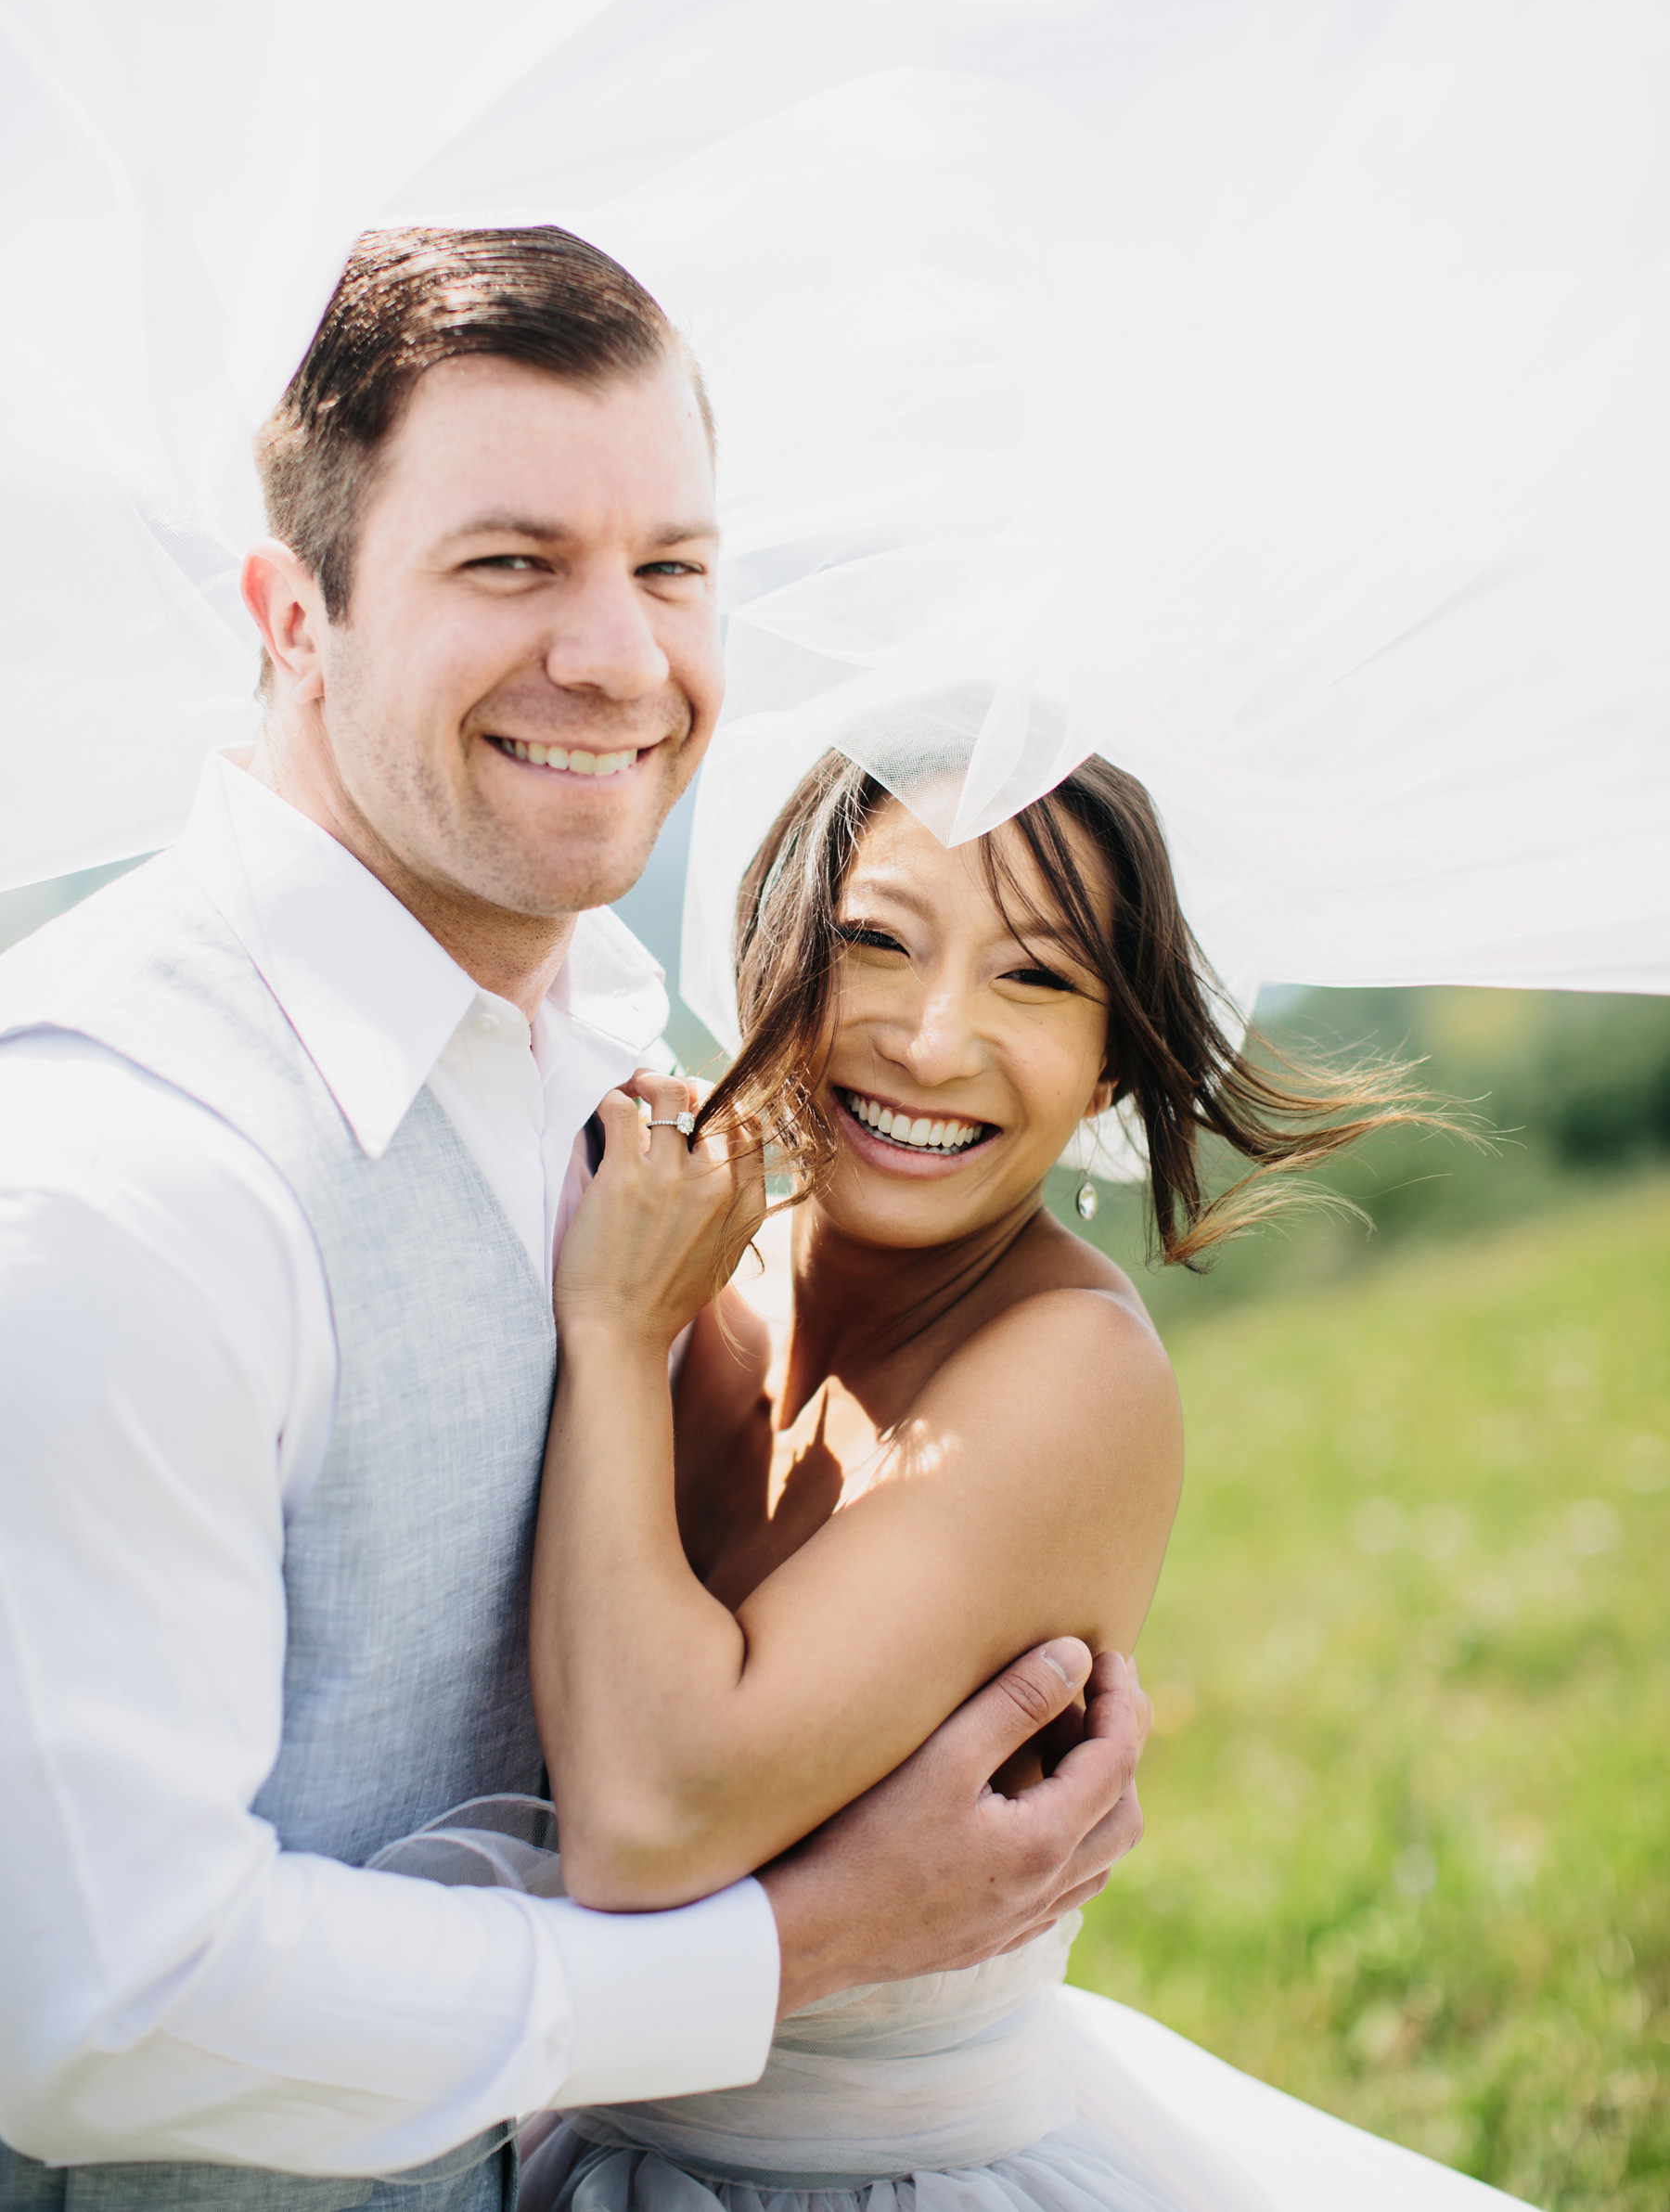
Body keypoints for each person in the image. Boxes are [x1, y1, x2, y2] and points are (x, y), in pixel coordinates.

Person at [0, 230, 1149, 2209]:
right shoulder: (116, 1191)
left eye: (673, 569)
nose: (622, 659)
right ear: (297, 613)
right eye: (511, 562)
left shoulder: (612, 1044)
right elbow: (105, 2001)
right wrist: (795, 1952)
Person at [511, 751, 1531, 2212]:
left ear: (1114, 1054)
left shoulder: (1075, 1372)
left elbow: (646, 1820)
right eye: (877, 942)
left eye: (1035, 979)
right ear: (772, 959)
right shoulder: (706, 1272)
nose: (933, 1043)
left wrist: (610, 1338)